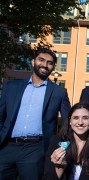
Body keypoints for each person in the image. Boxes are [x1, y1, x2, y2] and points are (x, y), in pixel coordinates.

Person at [0, 48, 71, 179]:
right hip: (6, 147)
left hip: (36, 150)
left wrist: (62, 146)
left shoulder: (59, 92)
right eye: (41, 60)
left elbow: (68, 122)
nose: (45, 65)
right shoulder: (11, 86)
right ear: (33, 62)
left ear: (53, 66)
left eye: (50, 62)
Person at [44, 103, 89, 180]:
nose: (80, 122)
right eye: (76, 118)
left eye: (85, 118)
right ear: (70, 121)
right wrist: (60, 167)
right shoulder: (56, 142)